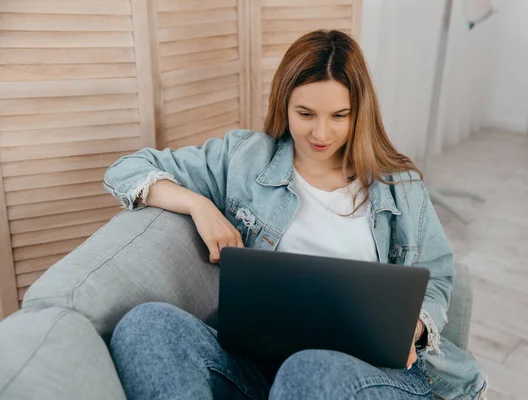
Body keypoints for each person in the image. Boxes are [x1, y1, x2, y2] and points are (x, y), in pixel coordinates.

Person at [104, 30, 487, 400]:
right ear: (283, 103)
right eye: (305, 113)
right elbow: (127, 169)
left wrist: (415, 327)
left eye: (339, 116)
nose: (321, 133)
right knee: (145, 325)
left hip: (373, 376)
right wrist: (198, 205)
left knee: (309, 371)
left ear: (360, 113)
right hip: (261, 368)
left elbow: (436, 277)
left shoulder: (399, 186)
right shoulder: (244, 158)